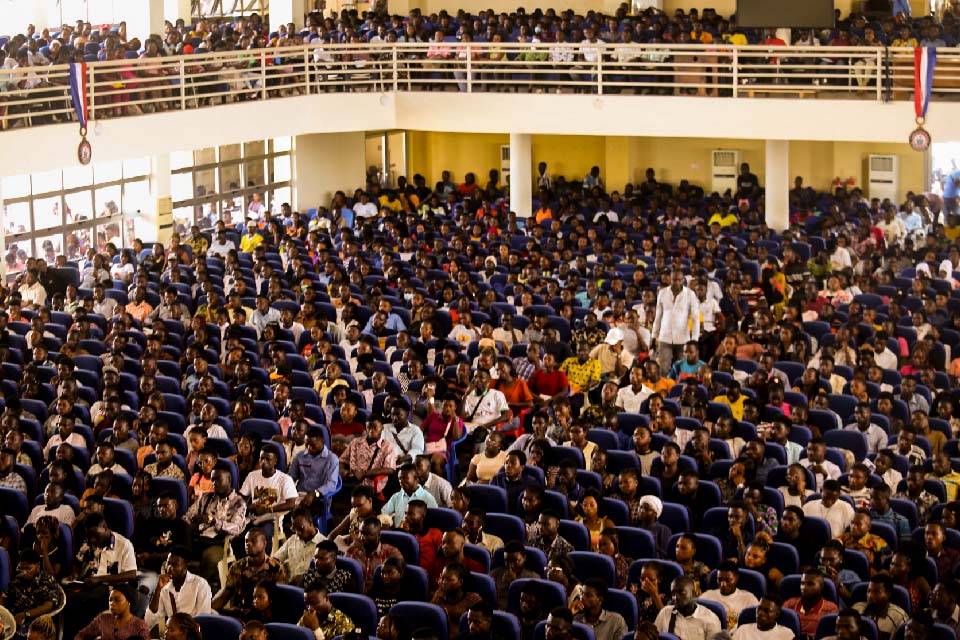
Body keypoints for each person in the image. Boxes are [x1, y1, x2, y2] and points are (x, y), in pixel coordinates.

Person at [212, 528, 287, 617]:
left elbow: (280, 600)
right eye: (246, 541)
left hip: (266, 615)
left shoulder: (276, 568)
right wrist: (207, 610)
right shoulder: (237, 567)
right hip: (241, 613)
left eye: (253, 541)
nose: (248, 544)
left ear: (264, 543)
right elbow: (225, 594)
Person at [145, 546, 213, 632]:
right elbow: (149, 621)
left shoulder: (200, 585)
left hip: (192, 634)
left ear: (185, 566)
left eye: (175, 565)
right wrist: (158, 589)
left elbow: (203, 620)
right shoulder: (164, 587)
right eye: (168, 563)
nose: (170, 568)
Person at [652, 269, 700, 374]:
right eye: (674, 280)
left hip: (683, 338)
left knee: (681, 367)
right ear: (670, 279)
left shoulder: (690, 294)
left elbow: (695, 318)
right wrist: (654, 336)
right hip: (665, 336)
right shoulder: (662, 293)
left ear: (682, 280)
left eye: (679, 280)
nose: (676, 282)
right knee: (663, 368)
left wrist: (694, 340)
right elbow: (658, 316)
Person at [653, 576, 721, 640]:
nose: (676, 598)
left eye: (682, 593)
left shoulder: (710, 620)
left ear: (694, 594)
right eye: (673, 594)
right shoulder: (665, 613)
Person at [75, 584, 150, 640]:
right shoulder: (103, 619)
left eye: (117, 600)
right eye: (110, 600)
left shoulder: (140, 626)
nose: (111, 603)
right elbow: (81, 636)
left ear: (129, 602)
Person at [700, 561, 759, 629]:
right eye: (720, 580)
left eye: (728, 580)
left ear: (736, 578)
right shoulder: (707, 597)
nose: (723, 584)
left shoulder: (749, 599)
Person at [430, 563, 482, 639]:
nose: (444, 582)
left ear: (460, 582)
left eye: (449, 580)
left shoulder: (473, 599)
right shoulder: (439, 596)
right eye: (443, 578)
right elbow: (429, 617)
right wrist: (435, 597)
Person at [782, 570, 840, 638]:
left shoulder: (831, 609)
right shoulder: (789, 605)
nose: (804, 587)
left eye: (810, 584)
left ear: (821, 586)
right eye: (802, 583)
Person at [273, 507, 326, 579]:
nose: (297, 533)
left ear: (310, 522)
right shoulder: (292, 540)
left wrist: (303, 578)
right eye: (294, 529)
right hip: (291, 585)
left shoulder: (323, 544)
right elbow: (276, 558)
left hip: (312, 587)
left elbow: (323, 574)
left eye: (301, 528)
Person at [852, 574, 908, 640]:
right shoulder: (856, 609)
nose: (870, 596)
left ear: (888, 594)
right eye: (868, 591)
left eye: (876, 592)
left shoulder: (899, 617)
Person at [490, 541, 540, 609]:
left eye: (515, 561)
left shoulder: (533, 578)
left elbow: (528, 604)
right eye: (507, 561)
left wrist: (514, 582)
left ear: (524, 558)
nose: (511, 565)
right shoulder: (495, 574)